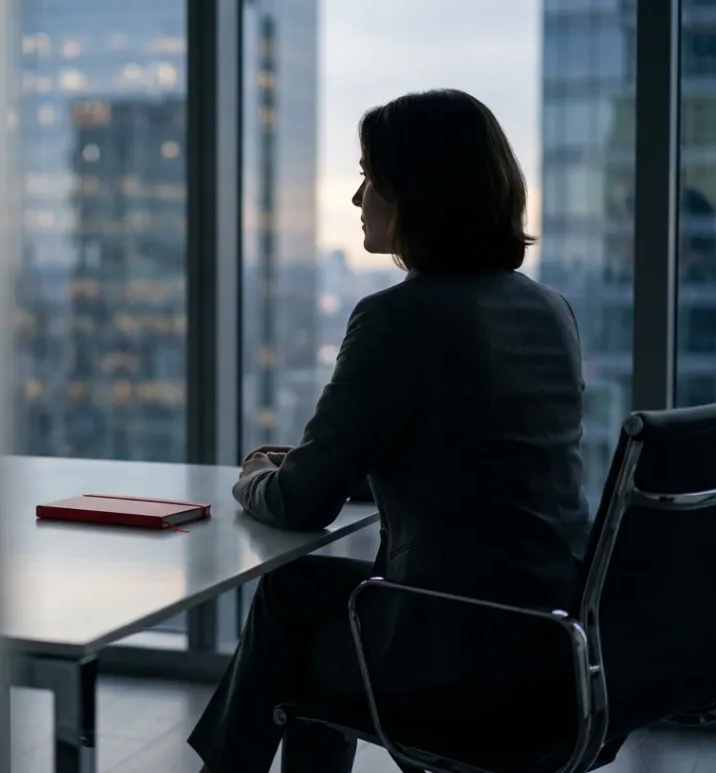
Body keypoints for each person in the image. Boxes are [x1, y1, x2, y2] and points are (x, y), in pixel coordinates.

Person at [187, 89, 592, 773]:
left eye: (370, 178)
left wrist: (257, 476)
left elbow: (299, 504)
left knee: (293, 615)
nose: (356, 200)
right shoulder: (550, 310)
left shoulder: (397, 318)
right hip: (556, 643)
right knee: (300, 594)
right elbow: (478, 466)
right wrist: (337, 461)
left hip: (455, 651)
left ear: (416, 193)